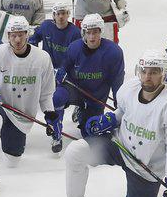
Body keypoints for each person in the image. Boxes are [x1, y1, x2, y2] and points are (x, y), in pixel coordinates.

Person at [55, 50, 167, 197]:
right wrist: (112, 118)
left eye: (154, 72)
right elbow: (124, 111)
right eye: (144, 71)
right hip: (119, 144)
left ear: (163, 74)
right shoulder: (129, 88)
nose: (147, 77)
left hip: (146, 165)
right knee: (75, 152)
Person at [0, 15, 57, 192]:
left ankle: (3, 147)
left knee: (12, 160)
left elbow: (46, 93)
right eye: (13, 35)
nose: (17, 39)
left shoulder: (42, 58)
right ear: (8, 35)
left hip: (21, 115)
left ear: (28, 34)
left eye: (21, 34)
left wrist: (50, 115)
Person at [52, 13, 126, 153]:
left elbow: (117, 82)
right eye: (88, 32)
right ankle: (56, 132)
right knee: (57, 97)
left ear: (101, 32)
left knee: (91, 132)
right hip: (75, 90)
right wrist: (60, 73)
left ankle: (82, 112)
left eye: (95, 32)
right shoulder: (74, 48)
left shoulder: (113, 52)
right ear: (83, 32)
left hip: (96, 97)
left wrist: (119, 105)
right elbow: (63, 68)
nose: (92, 37)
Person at [29, 1, 82, 68]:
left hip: (66, 70)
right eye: (58, 14)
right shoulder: (46, 26)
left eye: (63, 13)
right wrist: (33, 50)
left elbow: (78, 55)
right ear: (53, 15)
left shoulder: (75, 32)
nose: (61, 16)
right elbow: (34, 38)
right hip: (46, 67)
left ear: (68, 14)